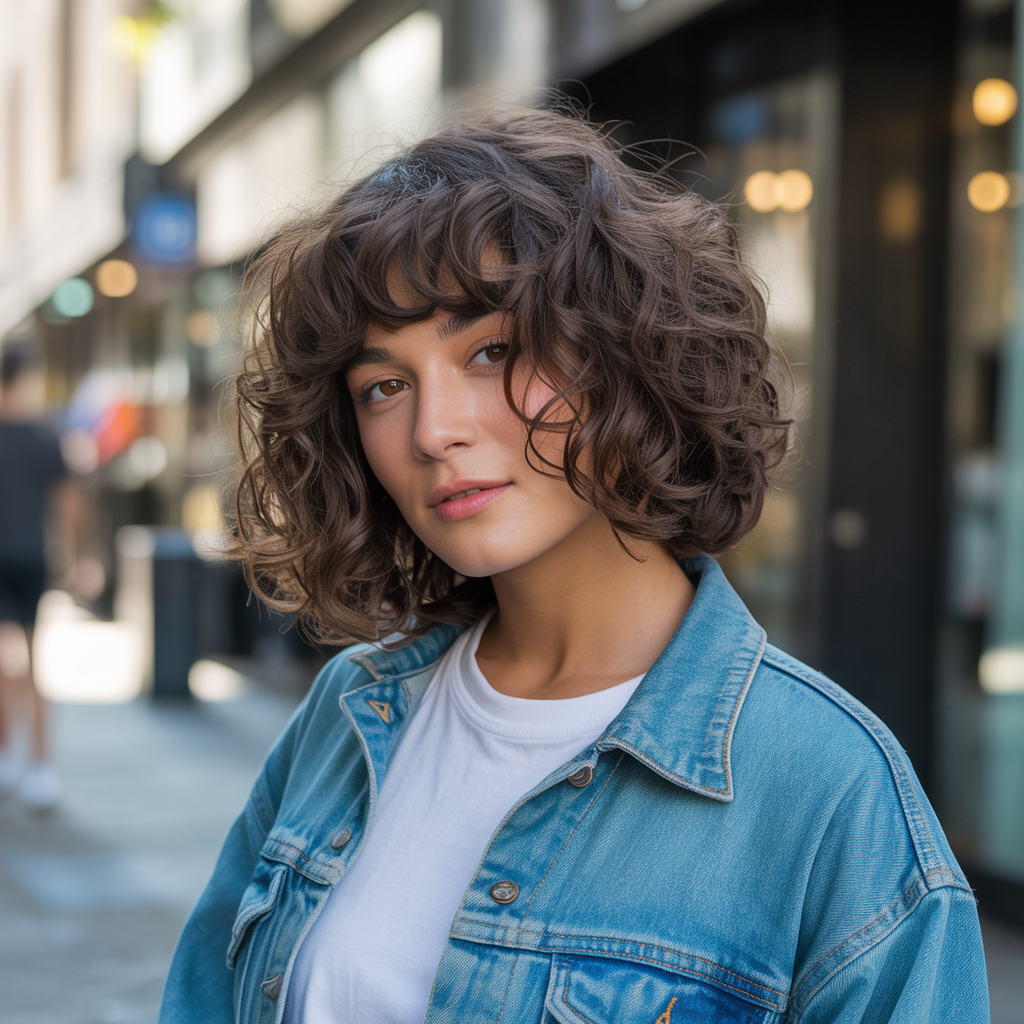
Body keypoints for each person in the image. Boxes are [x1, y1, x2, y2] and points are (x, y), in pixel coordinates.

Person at [160, 107, 989, 1023]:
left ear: (629, 354)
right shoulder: (351, 711)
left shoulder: (828, 785)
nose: (435, 431)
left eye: (493, 350)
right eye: (384, 385)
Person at [0, 344, 77, 809]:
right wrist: (75, 557)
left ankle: (6, 755)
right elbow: (69, 505)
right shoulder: (47, 436)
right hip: (33, 556)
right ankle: (41, 767)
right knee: (33, 662)